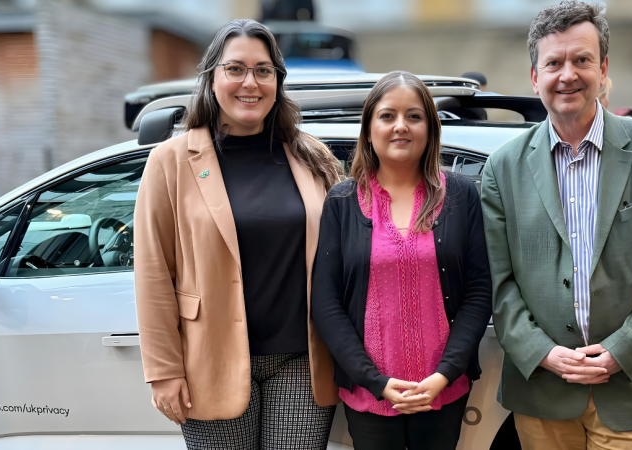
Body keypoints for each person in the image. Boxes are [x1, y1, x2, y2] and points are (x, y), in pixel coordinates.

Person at [480, 1, 632, 449]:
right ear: (535, 76)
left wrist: (621, 350)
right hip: (542, 390)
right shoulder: (502, 169)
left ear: (603, 67)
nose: (568, 75)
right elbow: (499, 286)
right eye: (554, 63)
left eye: (582, 60)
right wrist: (545, 354)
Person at [134, 18, 343, 450]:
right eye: (236, 69)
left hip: (301, 360)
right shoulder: (169, 161)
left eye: (263, 70)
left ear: (277, 82)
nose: (250, 82)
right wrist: (164, 371)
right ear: (212, 77)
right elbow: (153, 272)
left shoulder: (311, 154)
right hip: (210, 359)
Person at [311, 71, 493, 450]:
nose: (401, 126)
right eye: (387, 115)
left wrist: (444, 375)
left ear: (430, 127)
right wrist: (374, 381)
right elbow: (326, 305)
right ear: (369, 128)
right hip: (369, 396)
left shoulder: (460, 196)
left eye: (414, 116)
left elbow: (479, 293)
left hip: (442, 391)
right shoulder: (342, 202)